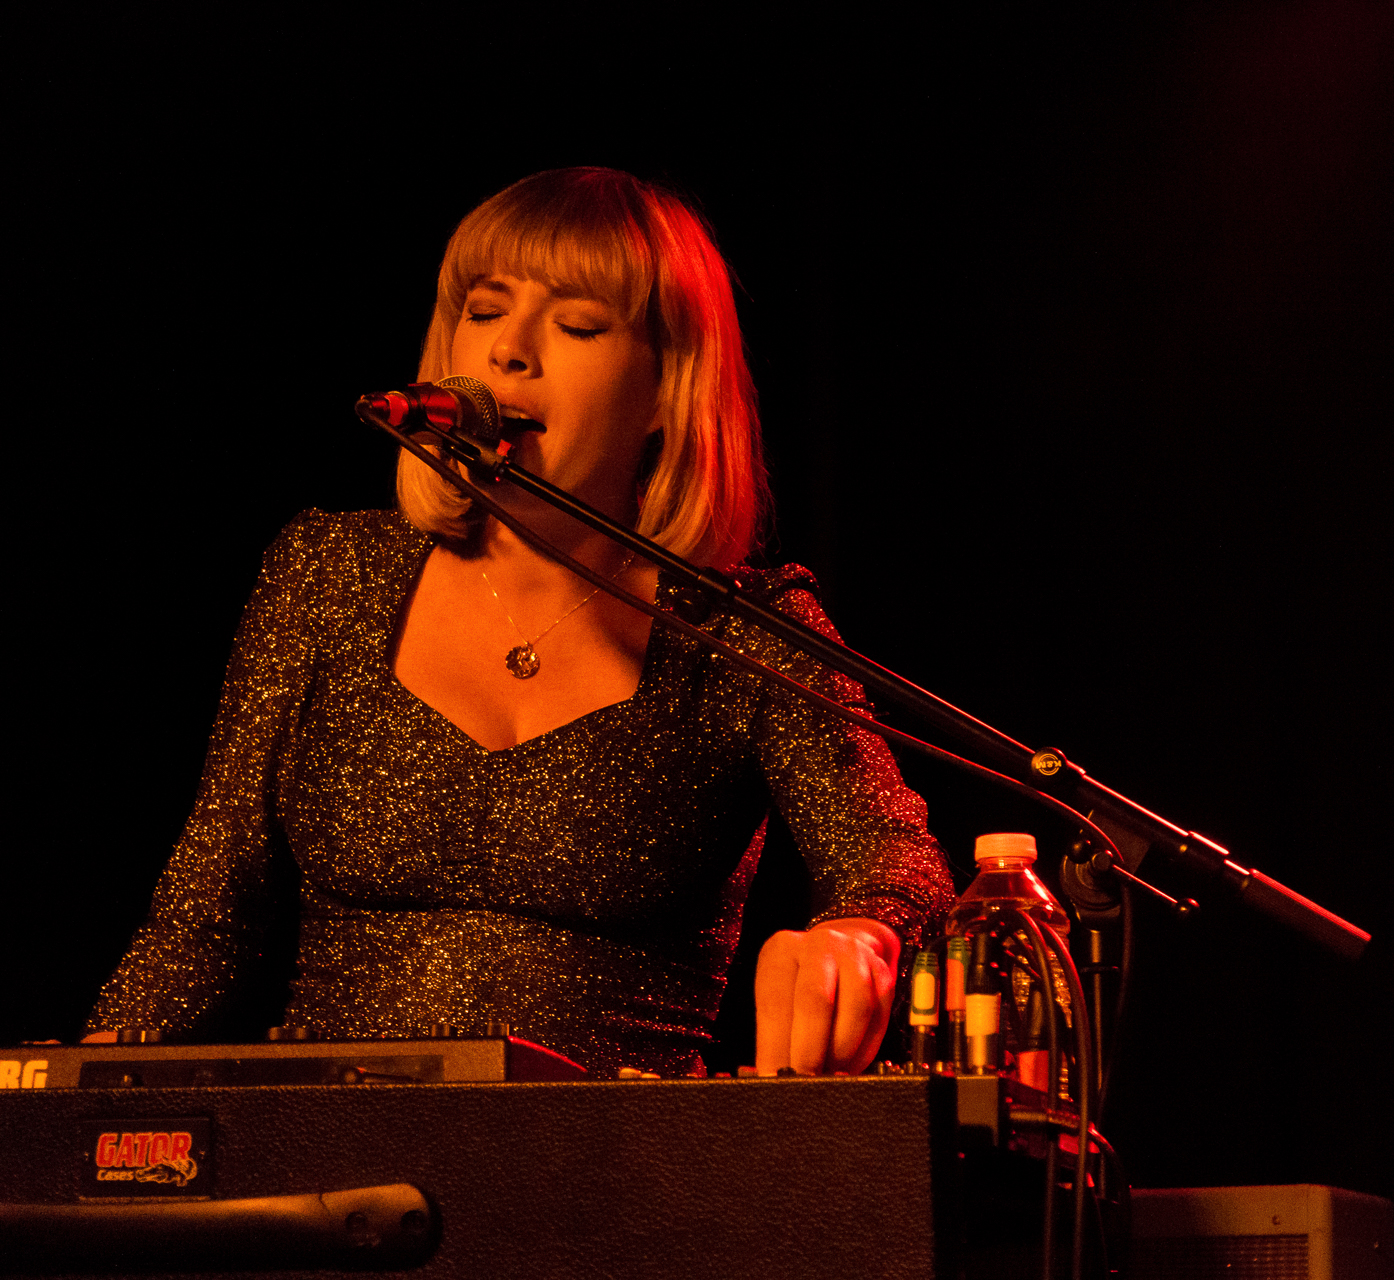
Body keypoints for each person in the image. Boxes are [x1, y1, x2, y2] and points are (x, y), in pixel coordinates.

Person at [85, 168, 955, 1078]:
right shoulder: (329, 572)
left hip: (618, 1182)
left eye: (577, 324)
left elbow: (897, 858)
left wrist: (864, 932)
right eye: (485, 310)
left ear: (667, 388)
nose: (510, 353)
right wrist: (78, 1111)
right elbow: (206, 910)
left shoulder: (739, 632)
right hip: (340, 1177)